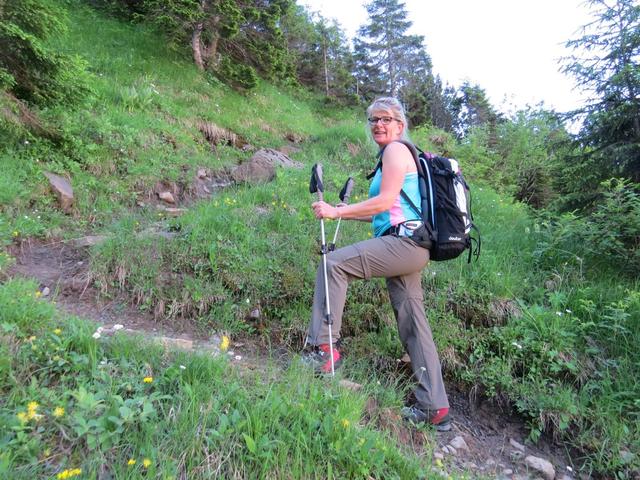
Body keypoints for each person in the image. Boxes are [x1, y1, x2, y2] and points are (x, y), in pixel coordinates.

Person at [303, 97, 451, 431]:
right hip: (411, 244)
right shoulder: (401, 154)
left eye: (385, 119)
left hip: (406, 243)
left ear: (400, 124)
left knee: (334, 265)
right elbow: (385, 212)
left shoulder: (397, 151)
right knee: (413, 321)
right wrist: (343, 210)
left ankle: (324, 350)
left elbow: (384, 202)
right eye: (373, 120)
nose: (378, 125)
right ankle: (435, 406)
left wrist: (337, 212)